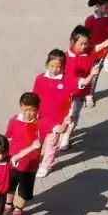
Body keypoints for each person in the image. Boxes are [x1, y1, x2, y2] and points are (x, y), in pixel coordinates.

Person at [60, 24, 108, 151]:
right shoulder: (65, 58)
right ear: (73, 41)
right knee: (65, 115)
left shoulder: (90, 52)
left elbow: (104, 44)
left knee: (74, 115)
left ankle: (65, 137)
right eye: (81, 44)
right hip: (66, 93)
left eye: (86, 43)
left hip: (80, 94)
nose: (84, 46)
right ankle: (60, 134)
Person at [5, 94, 43, 215]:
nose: (28, 113)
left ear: (37, 109)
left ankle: (18, 210)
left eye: (32, 110)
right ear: (21, 107)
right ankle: (8, 205)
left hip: (30, 165)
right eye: (25, 109)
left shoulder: (40, 123)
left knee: (24, 190)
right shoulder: (14, 121)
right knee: (9, 187)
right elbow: (8, 137)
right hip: (13, 162)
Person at [33, 49, 71, 178]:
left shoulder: (66, 81)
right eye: (52, 66)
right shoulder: (40, 78)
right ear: (47, 64)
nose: (55, 69)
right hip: (40, 119)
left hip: (56, 121)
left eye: (58, 66)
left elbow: (68, 101)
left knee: (51, 145)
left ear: (63, 67)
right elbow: (34, 96)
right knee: (37, 142)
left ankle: (46, 166)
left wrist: (66, 119)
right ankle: (34, 162)